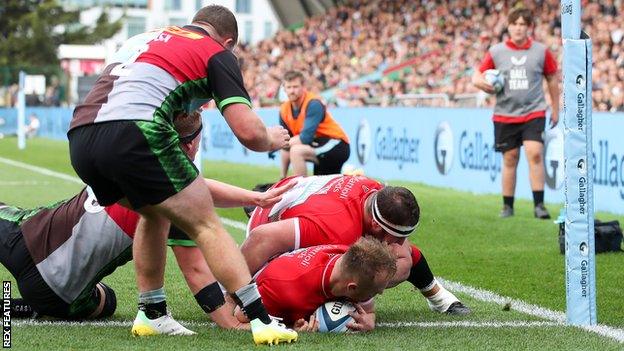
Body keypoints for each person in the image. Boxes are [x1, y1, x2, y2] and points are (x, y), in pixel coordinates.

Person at [66, 5, 297, 344]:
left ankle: (152, 313)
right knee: (205, 222)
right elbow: (248, 132)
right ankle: (261, 320)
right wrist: (270, 139)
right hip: (134, 131)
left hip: (81, 136)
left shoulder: (143, 38)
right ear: (229, 41)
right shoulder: (217, 53)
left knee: (153, 212)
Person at [0, 112, 291, 332]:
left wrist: (252, 199)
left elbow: (202, 186)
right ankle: (20, 307)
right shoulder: (177, 195)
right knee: (106, 301)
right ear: (190, 144)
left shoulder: (128, 155)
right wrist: (231, 322)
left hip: (23, 237)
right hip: (57, 293)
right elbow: (196, 271)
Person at [241, 175, 470, 315]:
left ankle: (438, 297)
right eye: (397, 236)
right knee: (370, 266)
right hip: (270, 216)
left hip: (298, 190)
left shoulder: (375, 191)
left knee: (401, 258)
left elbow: (404, 251)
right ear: (376, 225)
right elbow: (263, 238)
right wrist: (232, 291)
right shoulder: (335, 228)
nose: (401, 243)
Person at [472, 7, 559, 219]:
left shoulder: (541, 51)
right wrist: (482, 84)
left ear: (529, 28)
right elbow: (476, 75)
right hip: (505, 114)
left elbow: (552, 79)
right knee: (510, 158)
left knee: (535, 153)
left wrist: (556, 108)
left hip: (534, 112)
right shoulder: (496, 51)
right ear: (509, 27)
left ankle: (539, 206)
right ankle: (507, 206)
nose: (519, 28)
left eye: (523, 24)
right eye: (515, 24)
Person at [235, 237, 397, 332]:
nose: (380, 294)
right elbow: (239, 317)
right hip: (253, 274)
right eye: (376, 291)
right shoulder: (286, 290)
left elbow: (369, 310)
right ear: (351, 288)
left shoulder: (350, 258)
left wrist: (370, 319)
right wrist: (288, 327)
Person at [279, 70, 350, 178]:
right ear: (284, 89)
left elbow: (305, 139)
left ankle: (301, 191)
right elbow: (286, 142)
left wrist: (277, 146)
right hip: (318, 145)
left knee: (296, 150)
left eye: (295, 87)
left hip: (336, 144)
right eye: (289, 87)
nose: (292, 91)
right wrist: (282, 178)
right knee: (324, 188)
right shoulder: (284, 109)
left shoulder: (313, 103)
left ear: (303, 87)